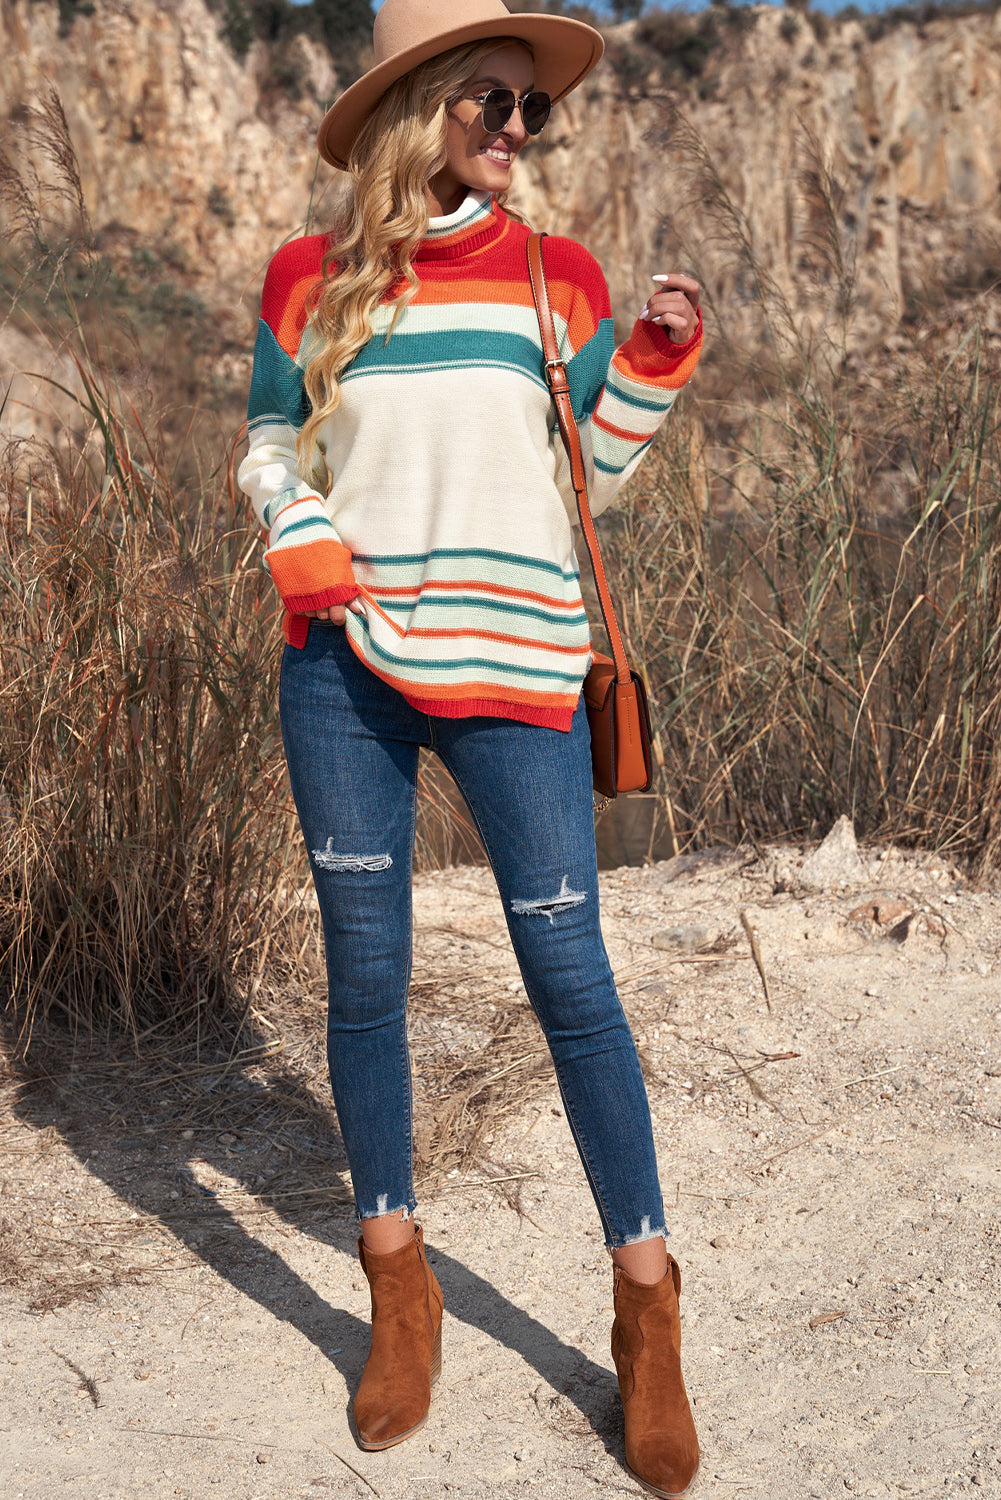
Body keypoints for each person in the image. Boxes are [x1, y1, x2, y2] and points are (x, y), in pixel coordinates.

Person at [238, 1, 704, 1494]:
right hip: (345, 669)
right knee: (364, 979)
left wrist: (650, 360)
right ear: (416, 109)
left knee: (572, 983)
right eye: (490, 102)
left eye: (530, 108)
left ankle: (645, 1310)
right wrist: (297, 526)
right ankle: (399, 1285)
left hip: (516, 666)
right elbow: (269, 441)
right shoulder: (307, 280)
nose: (517, 128)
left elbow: (591, 476)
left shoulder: (556, 276)